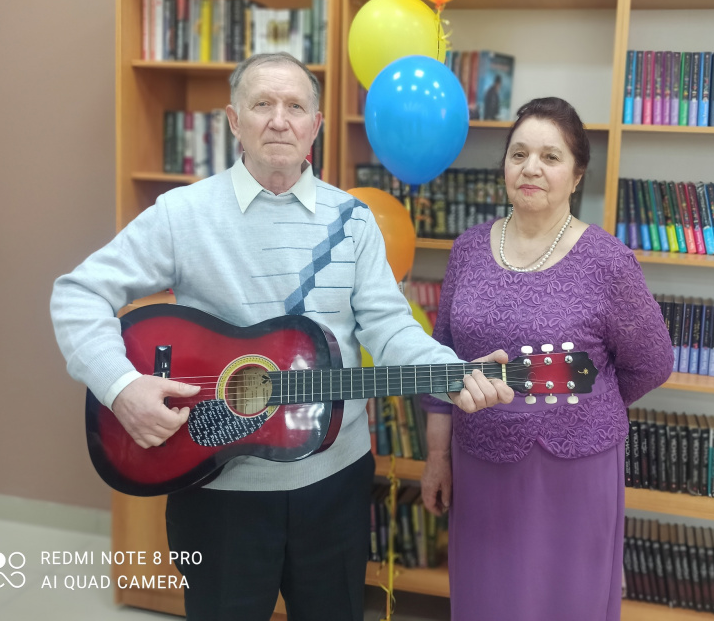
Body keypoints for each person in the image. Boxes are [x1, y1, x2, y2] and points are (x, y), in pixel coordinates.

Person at [50, 52, 513, 621]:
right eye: (262, 104)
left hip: (335, 485)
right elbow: (77, 293)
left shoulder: (355, 221)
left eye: (295, 107)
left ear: (315, 125)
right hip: (216, 490)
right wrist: (121, 386)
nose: (278, 120)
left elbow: (391, 327)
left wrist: (453, 372)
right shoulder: (181, 214)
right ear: (233, 120)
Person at [420, 97, 673, 621]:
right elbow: (441, 362)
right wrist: (437, 458)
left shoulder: (608, 262)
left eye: (550, 157)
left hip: (573, 472)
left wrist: (585, 404)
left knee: (566, 603)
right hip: (480, 464)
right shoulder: (467, 249)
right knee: (488, 600)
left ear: (576, 176)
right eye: (519, 154)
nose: (530, 168)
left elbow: (652, 362)